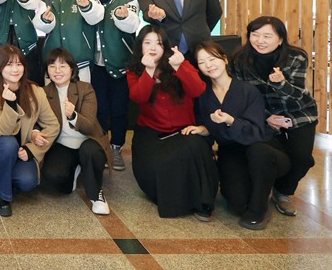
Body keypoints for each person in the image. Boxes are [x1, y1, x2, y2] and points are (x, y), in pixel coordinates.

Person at [188, 41, 290, 230]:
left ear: (225, 59)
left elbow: (256, 132)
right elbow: (209, 127)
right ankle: (255, 192)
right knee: (237, 204)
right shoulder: (202, 95)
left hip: (263, 148)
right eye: (202, 62)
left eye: (212, 59)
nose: (208, 65)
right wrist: (204, 129)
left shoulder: (248, 91)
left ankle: (259, 210)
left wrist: (231, 121)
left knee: (258, 153)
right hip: (232, 151)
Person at [127, 25, 218, 220]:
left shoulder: (179, 62)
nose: (153, 47)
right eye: (147, 43)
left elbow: (198, 90)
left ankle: (201, 202)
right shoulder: (134, 70)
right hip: (151, 133)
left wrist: (180, 66)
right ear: (140, 46)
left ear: (166, 46)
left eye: (159, 43)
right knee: (154, 174)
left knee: (194, 146)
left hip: (183, 131)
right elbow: (138, 97)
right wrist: (149, 71)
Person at [231, 16, 318, 217]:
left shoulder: (296, 57)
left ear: (280, 39)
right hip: (263, 114)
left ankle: (282, 192)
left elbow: (298, 95)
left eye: (267, 36)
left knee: (302, 158)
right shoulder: (240, 60)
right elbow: (242, 97)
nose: (260, 41)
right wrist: (266, 117)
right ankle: (264, 189)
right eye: (255, 35)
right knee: (270, 155)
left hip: (299, 112)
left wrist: (281, 84)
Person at [0, 45, 59, 217]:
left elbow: (53, 125)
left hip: (22, 147)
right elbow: (3, 129)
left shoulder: (35, 91)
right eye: (9, 64)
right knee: (8, 143)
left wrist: (31, 149)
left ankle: (2, 174)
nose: (15, 69)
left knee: (28, 182)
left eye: (19, 64)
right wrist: (10, 103)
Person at [40, 48, 112, 215]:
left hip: (88, 140)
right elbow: (38, 122)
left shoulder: (85, 88)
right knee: (53, 177)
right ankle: (75, 169)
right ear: (47, 70)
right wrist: (36, 133)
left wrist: (73, 115)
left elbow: (89, 126)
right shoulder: (44, 93)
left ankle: (96, 195)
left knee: (90, 151)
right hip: (62, 144)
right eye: (52, 66)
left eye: (63, 66)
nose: (57, 71)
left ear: (72, 69)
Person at [90, 0, 139, 171]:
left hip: (121, 65)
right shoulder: (89, 0)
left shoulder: (129, 2)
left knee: (119, 109)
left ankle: (117, 147)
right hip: (96, 66)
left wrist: (123, 15)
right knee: (99, 108)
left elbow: (133, 25)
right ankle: (102, 147)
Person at [33, 0, 103, 83]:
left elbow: (96, 17)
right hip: (53, 64)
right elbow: (39, 25)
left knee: (82, 94)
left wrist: (87, 7)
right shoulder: (46, 0)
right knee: (52, 95)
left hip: (80, 61)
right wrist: (46, 20)